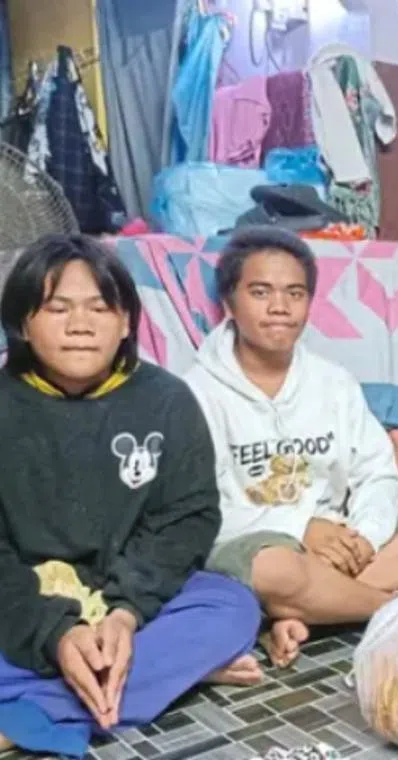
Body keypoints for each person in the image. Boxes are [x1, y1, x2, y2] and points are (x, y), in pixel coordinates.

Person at [0, 236, 260, 757]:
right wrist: (55, 633)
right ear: (23, 323)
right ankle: (161, 676)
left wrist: (124, 614)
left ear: (126, 323)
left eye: (100, 307)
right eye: (57, 308)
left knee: (232, 607)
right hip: (22, 601)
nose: (81, 324)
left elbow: (186, 518)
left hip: (126, 598)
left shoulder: (166, 399)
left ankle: (34, 711)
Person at [184, 227, 398, 669]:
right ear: (228, 303)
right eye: (261, 292)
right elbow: (204, 509)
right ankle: (389, 606)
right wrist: (303, 527)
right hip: (261, 545)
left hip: (343, 543)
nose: (280, 307)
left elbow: (378, 473)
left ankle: (306, 611)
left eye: (295, 293)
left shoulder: (333, 382)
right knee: (274, 569)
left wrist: (364, 536)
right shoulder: (195, 393)